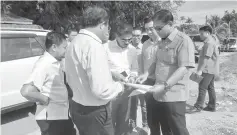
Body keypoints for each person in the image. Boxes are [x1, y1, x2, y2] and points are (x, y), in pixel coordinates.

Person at [64, 6, 125, 135]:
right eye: (108, 27)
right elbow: (101, 90)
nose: (108, 31)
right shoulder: (94, 45)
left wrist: (111, 74)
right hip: (95, 111)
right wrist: (120, 87)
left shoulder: (74, 43)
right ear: (103, 24)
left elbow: (79, 73)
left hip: (78, 106)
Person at [136, 9, 195, 135]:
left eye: (159, 28)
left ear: (170, 24)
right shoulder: (162, 41)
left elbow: (183, 68)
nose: (156, 31)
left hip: (174, 95)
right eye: (154, 28)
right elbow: (157, 62)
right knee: (164, 128)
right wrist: (146, 74)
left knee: (178, 129)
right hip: (159, 95)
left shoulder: (183, 41)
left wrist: (165, 85)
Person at [20, 31, 76, 135]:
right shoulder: (44, 64)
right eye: (64, 47)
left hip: (61, 114)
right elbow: (26, 91)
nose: (66, 50)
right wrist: (45, 99)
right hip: (51, 118)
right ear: (54, 47)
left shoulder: (55, 62)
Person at [104, 23, 138, 135]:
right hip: (110, 92)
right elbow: (99, 68)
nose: (127, 42)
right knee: (109, 121)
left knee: (123, 122)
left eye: (130, 39)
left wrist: (133, 77)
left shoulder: (132, 50)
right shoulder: (105, 47)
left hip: (126, 91)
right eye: (124, 40)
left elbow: (134, 68)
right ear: (116, 36)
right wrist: (112, 74)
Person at [188, 26, 219, 113]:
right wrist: (198, 50)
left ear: (207, 33)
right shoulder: (210, 42)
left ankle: (198, 106)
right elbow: (205, 55)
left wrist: (200, 70)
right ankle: (211, 106)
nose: (200, 35)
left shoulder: (209, 43)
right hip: (211, 69)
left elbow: (206, 58)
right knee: (210, 88)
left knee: (202, 87)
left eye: (202, 33)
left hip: (206, 69)